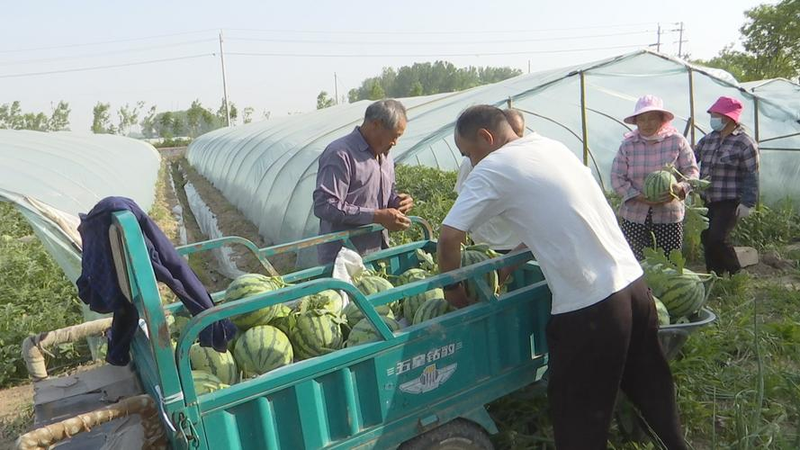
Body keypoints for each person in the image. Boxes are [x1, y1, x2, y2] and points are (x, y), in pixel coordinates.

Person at [437, 105, 687, 449]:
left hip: (593, 306)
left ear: (486, 137)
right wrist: (506, 267)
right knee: (650, 387)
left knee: (579, 415)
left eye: (468, 153)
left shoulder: (493, 166)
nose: (471, 162)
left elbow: (449, 237)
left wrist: (452, 290)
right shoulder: (551, 148)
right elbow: (549, 220)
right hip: (633, 288)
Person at [313, 99, 414, 264]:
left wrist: (398, 202)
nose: (395, 143)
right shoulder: (340, 154)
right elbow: (325, 205)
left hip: (377, 253)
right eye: (395, 136)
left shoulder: (386, 156)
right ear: (376, 124)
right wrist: (377, 216)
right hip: (343, 260)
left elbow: (385, 196)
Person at [611, 95, 699, 260]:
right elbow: (617, 177)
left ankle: (665, 288)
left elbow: (692, 172)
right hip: (634, 214)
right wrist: (638, 196)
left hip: (669, 214)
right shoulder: (628, 145)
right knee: (636, 263)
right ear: (636, 122)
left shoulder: (677, 141)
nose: (647, 124)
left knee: (668, 264)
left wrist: (681, 188)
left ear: (662, 120)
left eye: (652, 118)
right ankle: (641, 288)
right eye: (642, 119)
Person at [694, 96, 759, 275]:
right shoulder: (708, 140)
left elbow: (751, 175)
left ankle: (736, 273)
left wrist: (747, 203)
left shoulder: (745, 143)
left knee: (718, 238)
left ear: (728, 117)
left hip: (729, 200)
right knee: (707, 237)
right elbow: (691, 159)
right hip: (709, 198)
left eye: (715, 114)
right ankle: (714, 275)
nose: (712, 118)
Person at [453, 108, 526, 252]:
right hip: (488, 245)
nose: (512, 141)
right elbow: (457, 219)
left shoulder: (524, 161)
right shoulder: (473, 162)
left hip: (518, 247)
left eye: (519, 135)